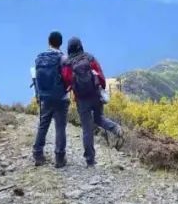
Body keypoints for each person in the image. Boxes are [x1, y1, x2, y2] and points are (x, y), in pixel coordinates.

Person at [63, 36, 123, 166]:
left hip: (81, 99)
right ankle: (115, 128)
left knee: (87, 129)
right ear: (80, 46)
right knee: (98, 118)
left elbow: (67, 81)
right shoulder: (89, 58)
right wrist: (101, 88)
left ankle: (90, 160)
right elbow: (100, 76)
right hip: (95, 95)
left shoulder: (68, 63)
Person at [31, 31, 69, 167]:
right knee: (60, 127)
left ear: (48, 42)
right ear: (61, 43)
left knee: (43, 125)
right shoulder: (63, 58)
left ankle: (38, 154)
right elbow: (67, 77)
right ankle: (59, 158)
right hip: (60, 97)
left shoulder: (39, 58)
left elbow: (35, 77)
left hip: (45, 97)